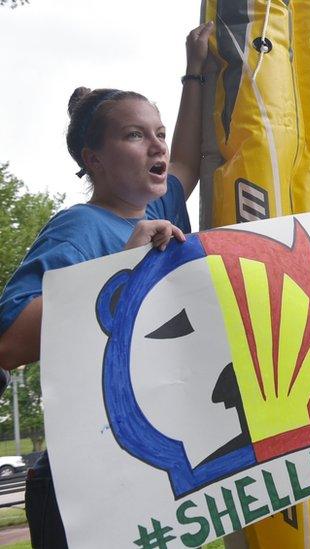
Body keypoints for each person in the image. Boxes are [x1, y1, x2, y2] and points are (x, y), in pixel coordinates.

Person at [0, 22, 213, 547]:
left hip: (139, 470)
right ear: (92, 159)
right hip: (80, 484)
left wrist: (195, 70)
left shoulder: (157, 207)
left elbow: (185, 157)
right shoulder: (80, 227)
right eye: (135, 134)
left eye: (157, 132)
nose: (156, 144)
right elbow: (9, 343)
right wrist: (120, 266)